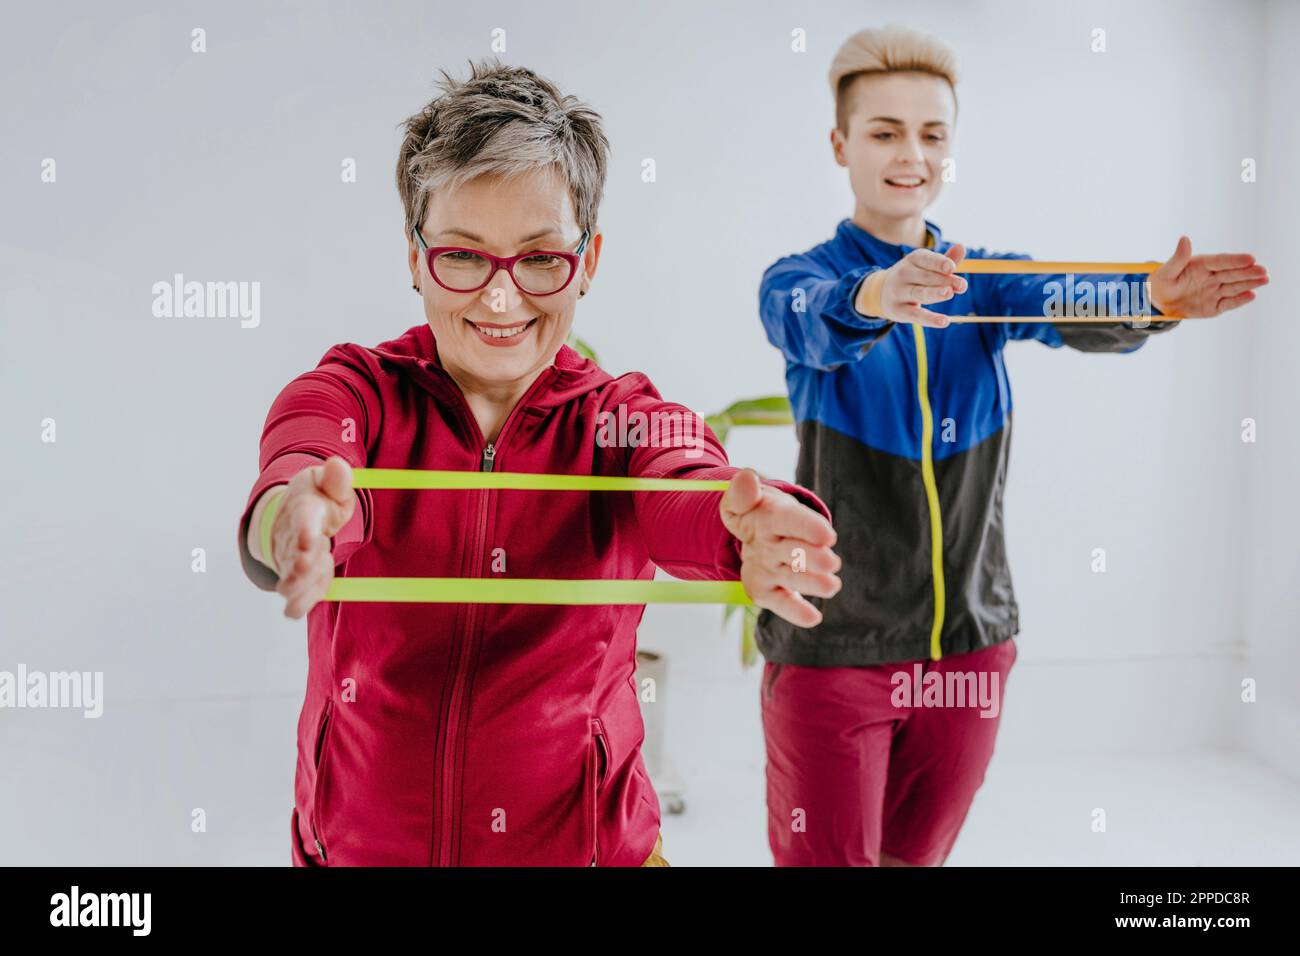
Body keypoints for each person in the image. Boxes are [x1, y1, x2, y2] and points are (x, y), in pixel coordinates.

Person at [237, 58, 841, 867]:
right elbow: (302, 458)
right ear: (415, 258)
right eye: (462, 254)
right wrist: (294, 520)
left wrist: (745, 529)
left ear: (586, 262)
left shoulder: (620, 418)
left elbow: (685, 483)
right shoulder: (357, 391)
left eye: (539, 257)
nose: (499, 298)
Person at [756, 24, 1269, 867]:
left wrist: (1154, 296)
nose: (910, 154)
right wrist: (879, 293)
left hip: (971, 646)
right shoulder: (799, 277)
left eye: (932, 134)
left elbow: (1068, 295)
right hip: (833, 652)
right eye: (885, 131)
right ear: (840, 142)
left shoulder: (983, 279)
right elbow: (805, 320)